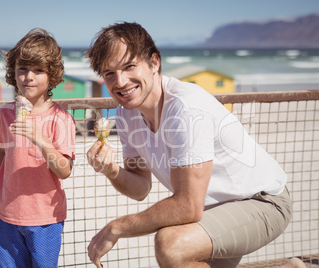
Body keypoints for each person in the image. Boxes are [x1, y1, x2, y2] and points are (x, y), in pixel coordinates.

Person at [85, 22, 305, 268]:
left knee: (172, 245)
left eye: (129, 66)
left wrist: (116, 228)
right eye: (109, 73)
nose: (121, 81)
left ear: (154, 62)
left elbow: (188, 207)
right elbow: (140, 187)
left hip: (262, 202)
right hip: (214, 210)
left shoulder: (185, 108)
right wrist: (112, 170)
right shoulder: (126, 115)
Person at [0, 28, 76, 268]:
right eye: (22, 69)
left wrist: (41, 140)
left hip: (45, 218)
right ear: (13, 73)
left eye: (38, 70)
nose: (29, 77)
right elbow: (4, 155)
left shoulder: (61, 119)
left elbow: (65, 170)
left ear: (52, 75)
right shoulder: (5, 113)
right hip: (7, 214)